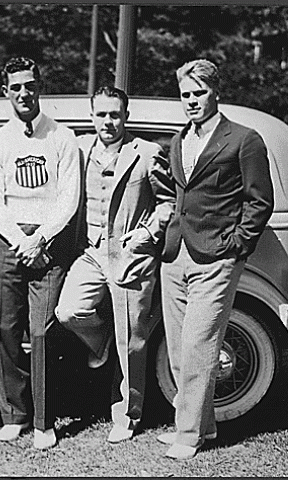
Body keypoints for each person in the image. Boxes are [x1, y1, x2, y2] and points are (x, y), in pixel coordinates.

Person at [158, 59, 274, 460]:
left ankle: (188, 435)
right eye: (185, 94)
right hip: (176, 255)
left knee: (198, 345)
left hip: (217, 257)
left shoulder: (244, 139)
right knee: (176, 347)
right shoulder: (178, 140)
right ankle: (200, 424)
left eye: (199, 92)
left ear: (215, 92)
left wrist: (235, 246)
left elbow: (259, 202)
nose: (191, 100)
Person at [55, 86, 175, 443]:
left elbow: (167, 202)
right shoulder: (79, 149)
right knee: (68, 311)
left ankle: (127, 415)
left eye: (115, 115)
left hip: (130, 254)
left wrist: (147, 234)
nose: (108, 122)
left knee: (133, 342)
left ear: (126, 116)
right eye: (101, 115)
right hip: (90, 252)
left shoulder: (146, 152)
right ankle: (102, 337)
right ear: (92, 117)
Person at [0, 57, 80, 450]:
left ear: (40, 87)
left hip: (49, 244)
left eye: (30, 85)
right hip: (8, 241)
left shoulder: (62, 136)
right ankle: (14, 414)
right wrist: (19, 239)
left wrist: (40, 238)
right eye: (16, 87)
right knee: (4, 328)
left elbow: (68, 197)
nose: (24, 93)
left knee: (42, 332)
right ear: (6, 92)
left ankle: (43, 421)